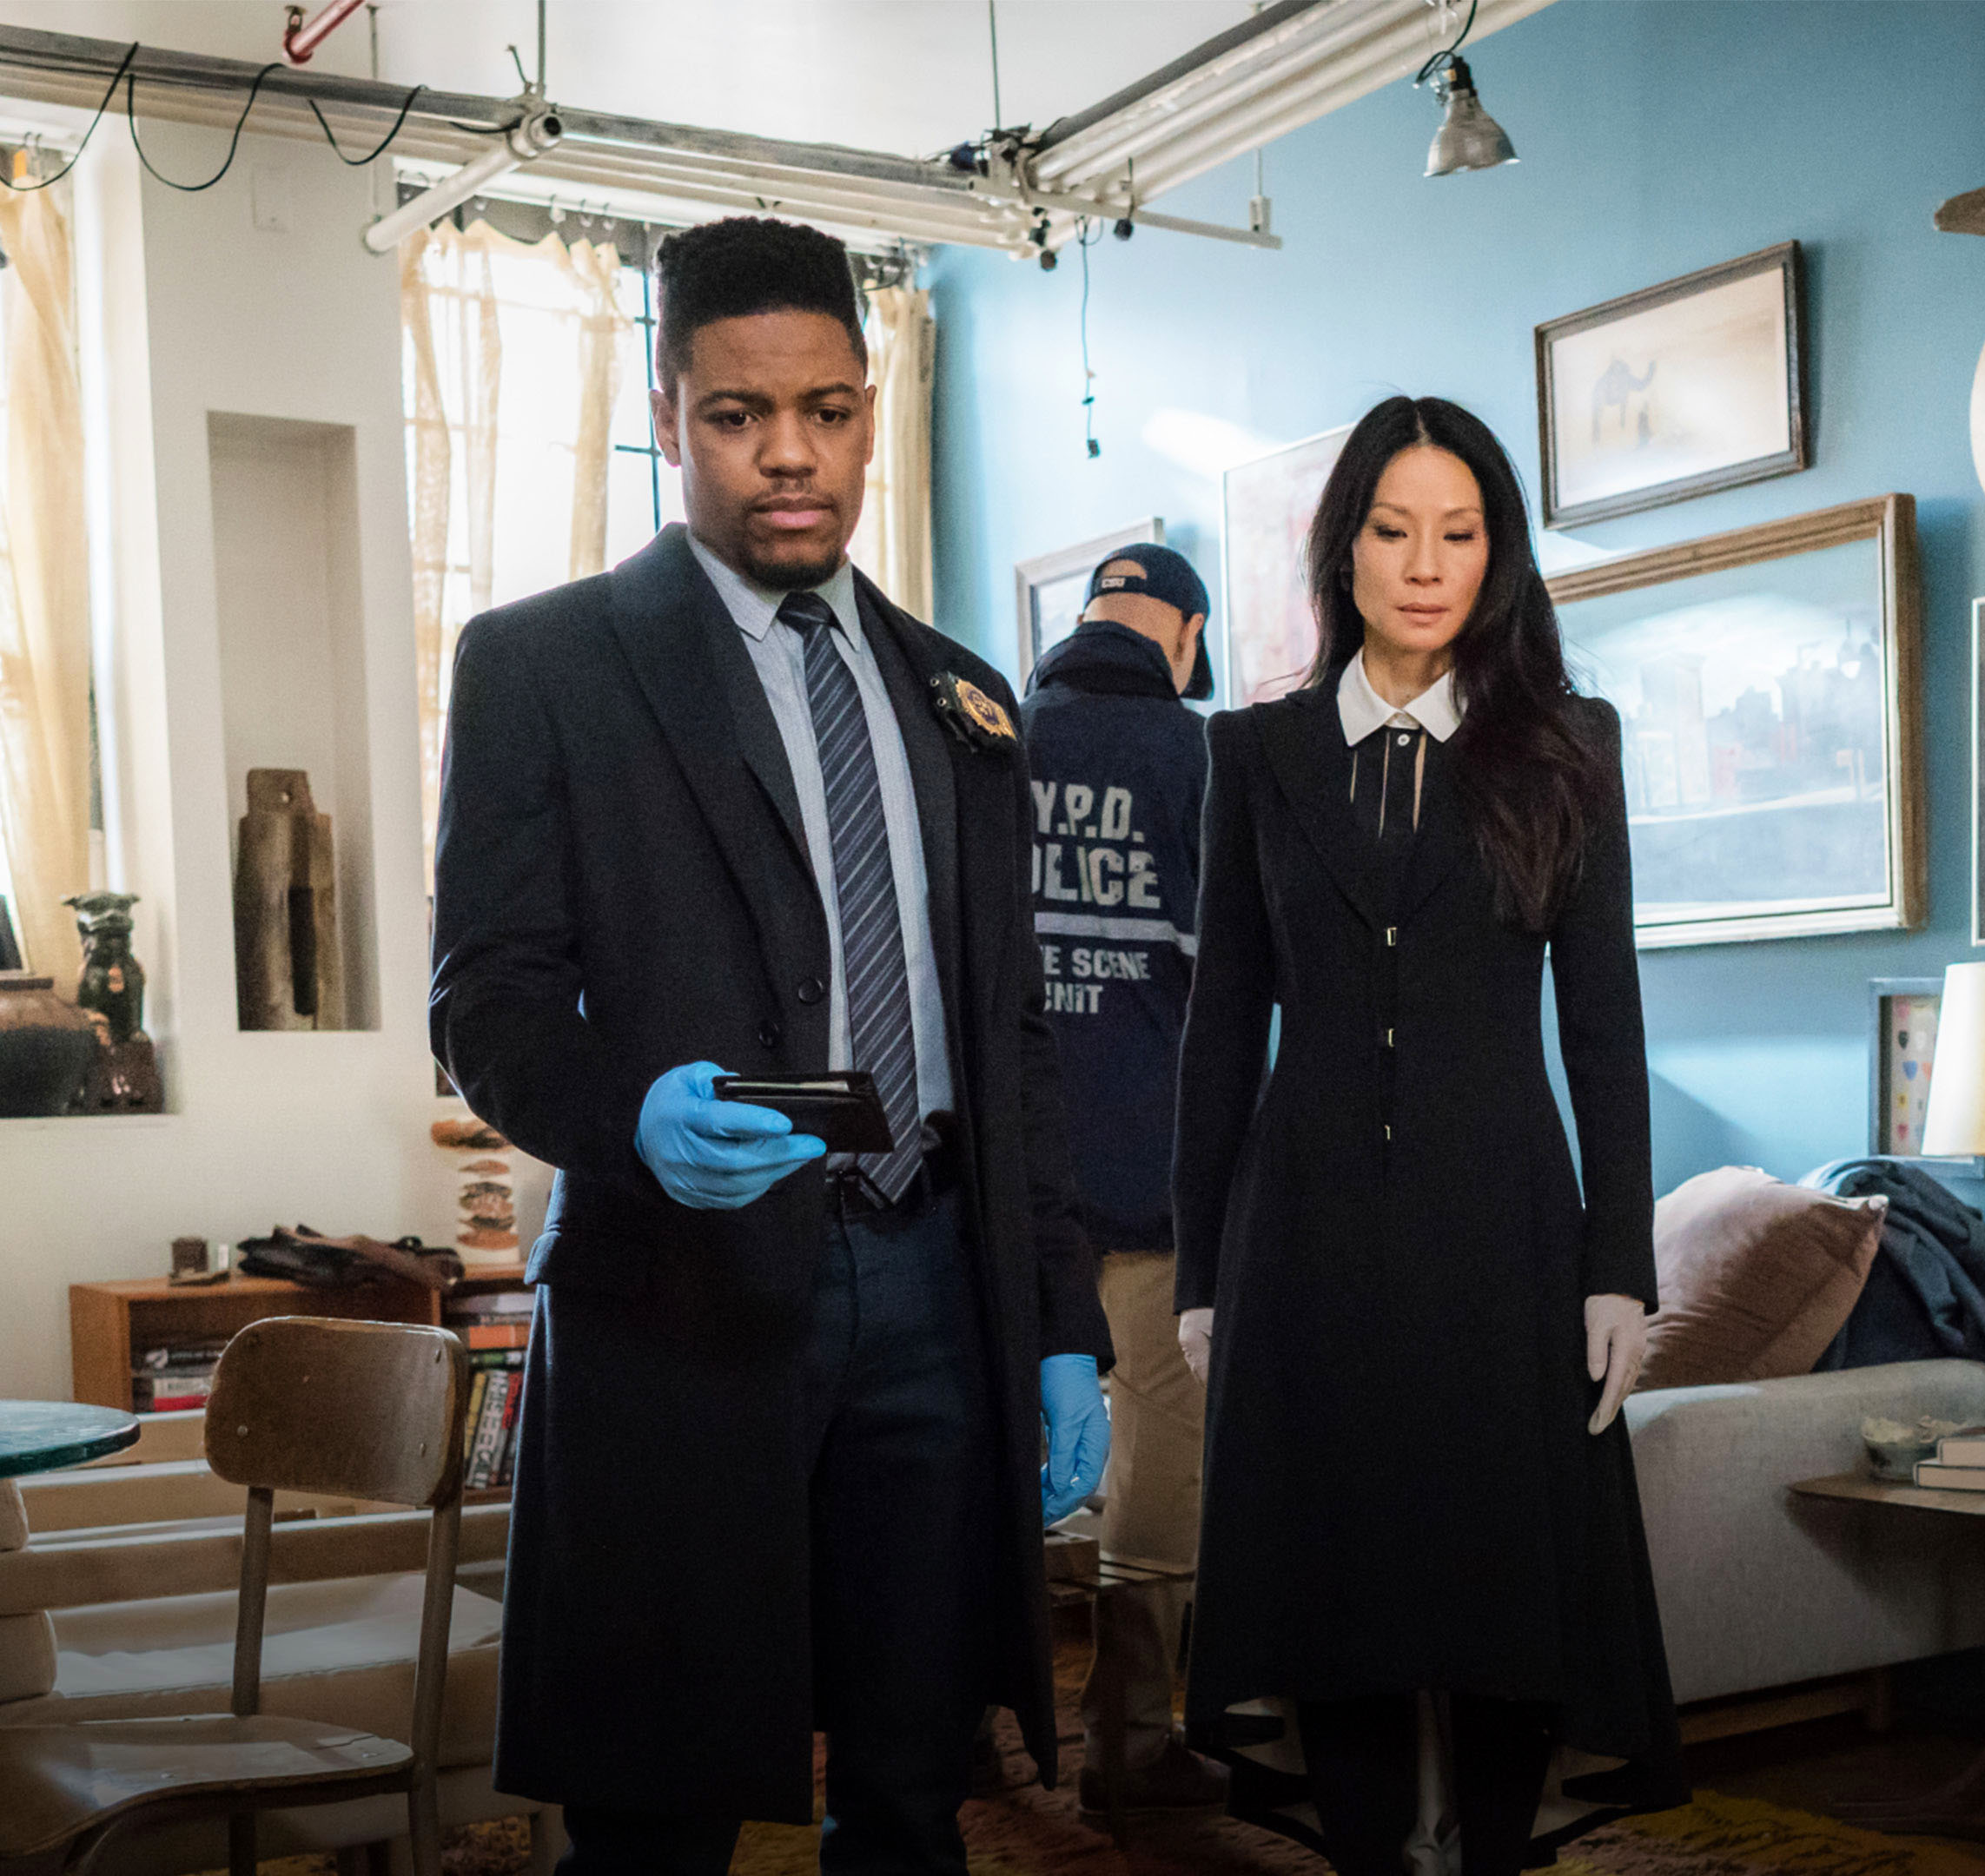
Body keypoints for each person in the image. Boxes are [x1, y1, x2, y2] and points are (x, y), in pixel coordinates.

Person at [431, 216, 1111, 1875]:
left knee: (916, 1789)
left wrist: (1058, 1319)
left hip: (935, 1280)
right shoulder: (543, 664)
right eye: (739, 415)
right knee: (653, 1811)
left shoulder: (964, 698)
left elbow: (1012, 1036)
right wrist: (628, 1112)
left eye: (827, 410)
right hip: (681, 1289)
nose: (788, 454)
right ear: (671, 417)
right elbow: (485, 1001)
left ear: (871, 415)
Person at [1170, 394, 1688, 1876]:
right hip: (1305, 1231)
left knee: (1504, 1591)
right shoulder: (1255, 753)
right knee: (1333, 1592)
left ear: (1495, 553)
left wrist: (1620, 1265)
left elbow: (1606, 1029)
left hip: (1506, 1231)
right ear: (1343, 550)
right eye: (1394, 531)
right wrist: (1202, 1270)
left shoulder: (1569, 746)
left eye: (1457, 534)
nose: (1423, 565)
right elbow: (1222, 1028)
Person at [1011, 542, 1229, 1827]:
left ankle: (953, 1732)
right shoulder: (1201, 760)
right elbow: (1237, 984)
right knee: (1159, 1454)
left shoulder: (989, 740)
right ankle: (1130, 1748)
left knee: (981, 1447)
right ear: (1185, 638)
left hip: (1005, 1180)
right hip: (1155, 1177)